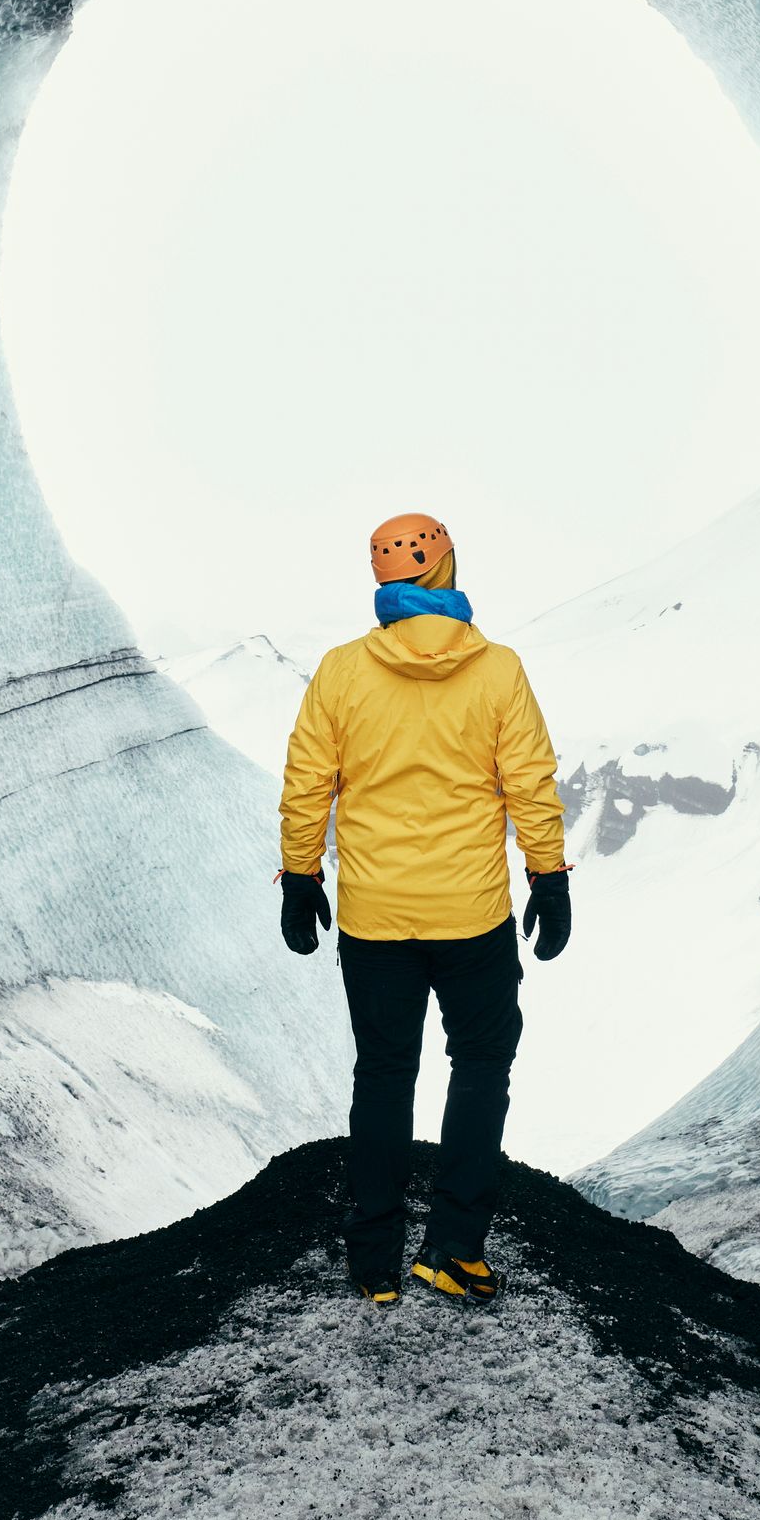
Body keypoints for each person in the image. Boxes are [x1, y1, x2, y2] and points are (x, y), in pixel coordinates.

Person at [277, 511, 571, 1306]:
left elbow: (309, 779)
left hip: (374, 918)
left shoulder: (342, 670)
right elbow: (529, 782)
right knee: (479, 1069)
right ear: (445, 571)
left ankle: (373, 1260)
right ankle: (451, 1251)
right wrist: (548, 875)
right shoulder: (498, 669)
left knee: (382, 1077)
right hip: (472, 917)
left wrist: (301, 874)